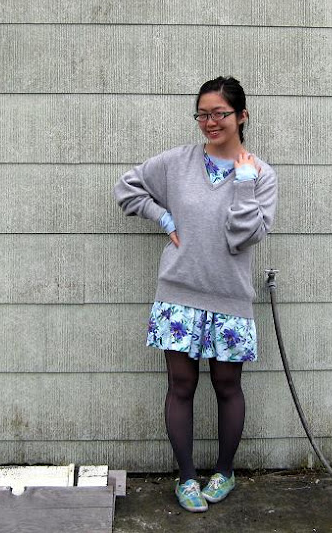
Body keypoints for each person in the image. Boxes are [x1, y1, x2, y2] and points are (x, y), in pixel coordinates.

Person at [113, 76, 278, 512]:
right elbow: (127, 188)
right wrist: (162, 217)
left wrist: (243, 184)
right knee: (181, 385)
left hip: (229, 295)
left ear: (242, 116)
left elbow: (244, 236)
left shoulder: (261, 175)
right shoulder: (176, 162)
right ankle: (186, 478)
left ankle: (224, 472)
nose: (210, 122)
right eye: (202, 114)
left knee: (228, 385)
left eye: (219, 113)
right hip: (178, 294)